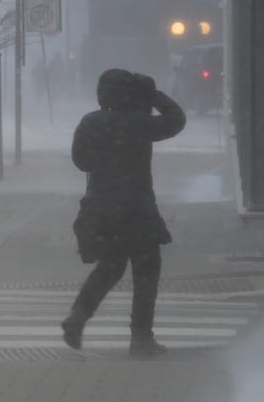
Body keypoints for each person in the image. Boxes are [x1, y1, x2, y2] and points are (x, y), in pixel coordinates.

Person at [62, 68, 186, 356]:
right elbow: (177, 120)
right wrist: (153, 95)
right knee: (146, 270)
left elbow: (81, 161)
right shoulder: (140, 124)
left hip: (102, 208)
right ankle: (141, 337)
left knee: (110, 266)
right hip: (137, 208)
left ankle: (78, 316)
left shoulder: (91, 122)